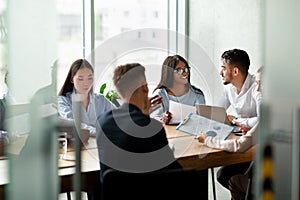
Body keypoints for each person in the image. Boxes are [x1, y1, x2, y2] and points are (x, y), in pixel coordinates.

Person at [97, 63, 182, 182]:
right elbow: (174, 172)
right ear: (145, 88)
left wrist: (144, 114)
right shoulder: (152, 128)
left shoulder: (102, 122)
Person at [212, 49, 262, 192]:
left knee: (231, 177)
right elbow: (216, 111)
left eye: (223, 68)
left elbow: (264, 119)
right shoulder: (229, 88)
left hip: (257, 146)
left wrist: (237, 120)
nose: (220, 72)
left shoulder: (257, 87)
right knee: (222, 175)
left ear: (235, 71)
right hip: (244, 141)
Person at [57, 59, 115, 137]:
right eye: (80, 79)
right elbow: (75, 124)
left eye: (90, 78)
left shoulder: (101, 100)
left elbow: (119, 117)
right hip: (79, 144)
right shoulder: (63, 101)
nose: (86, 83)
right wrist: (98, 132)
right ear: (72, 80)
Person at [152, 54, 206, 124]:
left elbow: (202, 119)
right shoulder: (160, 94)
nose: (185, 73)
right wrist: (162, 118)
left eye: (186, 69)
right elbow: (153, 118)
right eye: (179, 70)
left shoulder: (197, 94)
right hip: (168, 134)